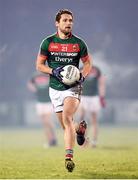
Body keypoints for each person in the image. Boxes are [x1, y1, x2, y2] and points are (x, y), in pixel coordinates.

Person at [36, 9, 92, 172]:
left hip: (73, 87)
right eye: (65, 20)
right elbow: (39, 65)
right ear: (57, 23)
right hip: (54, 89)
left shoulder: (79, 43)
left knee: (67, 117)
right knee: (66, 126)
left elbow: (88, 63)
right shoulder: (48, 42)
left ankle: (68, 157)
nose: (69, 23)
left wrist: (83, 75)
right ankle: (79, 133)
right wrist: (52, 71)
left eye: (71, 20)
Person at [28, 71, 57, 147]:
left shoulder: (49, 75)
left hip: (48, 102)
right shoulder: (35, 76)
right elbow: (30, 83)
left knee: (48, 121)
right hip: (40, 103)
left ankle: (53, 138)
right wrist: (33, 88)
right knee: (44, 123)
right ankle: (50, 141)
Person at [79, 65, 106, 148]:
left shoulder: (97, 69)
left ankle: (94, 141)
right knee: (82, 119)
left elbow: (102, 83)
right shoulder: (80, 69)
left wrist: (102, 97)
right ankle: (84, 141)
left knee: (94, 120)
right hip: (83, 97)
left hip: (94, 97)